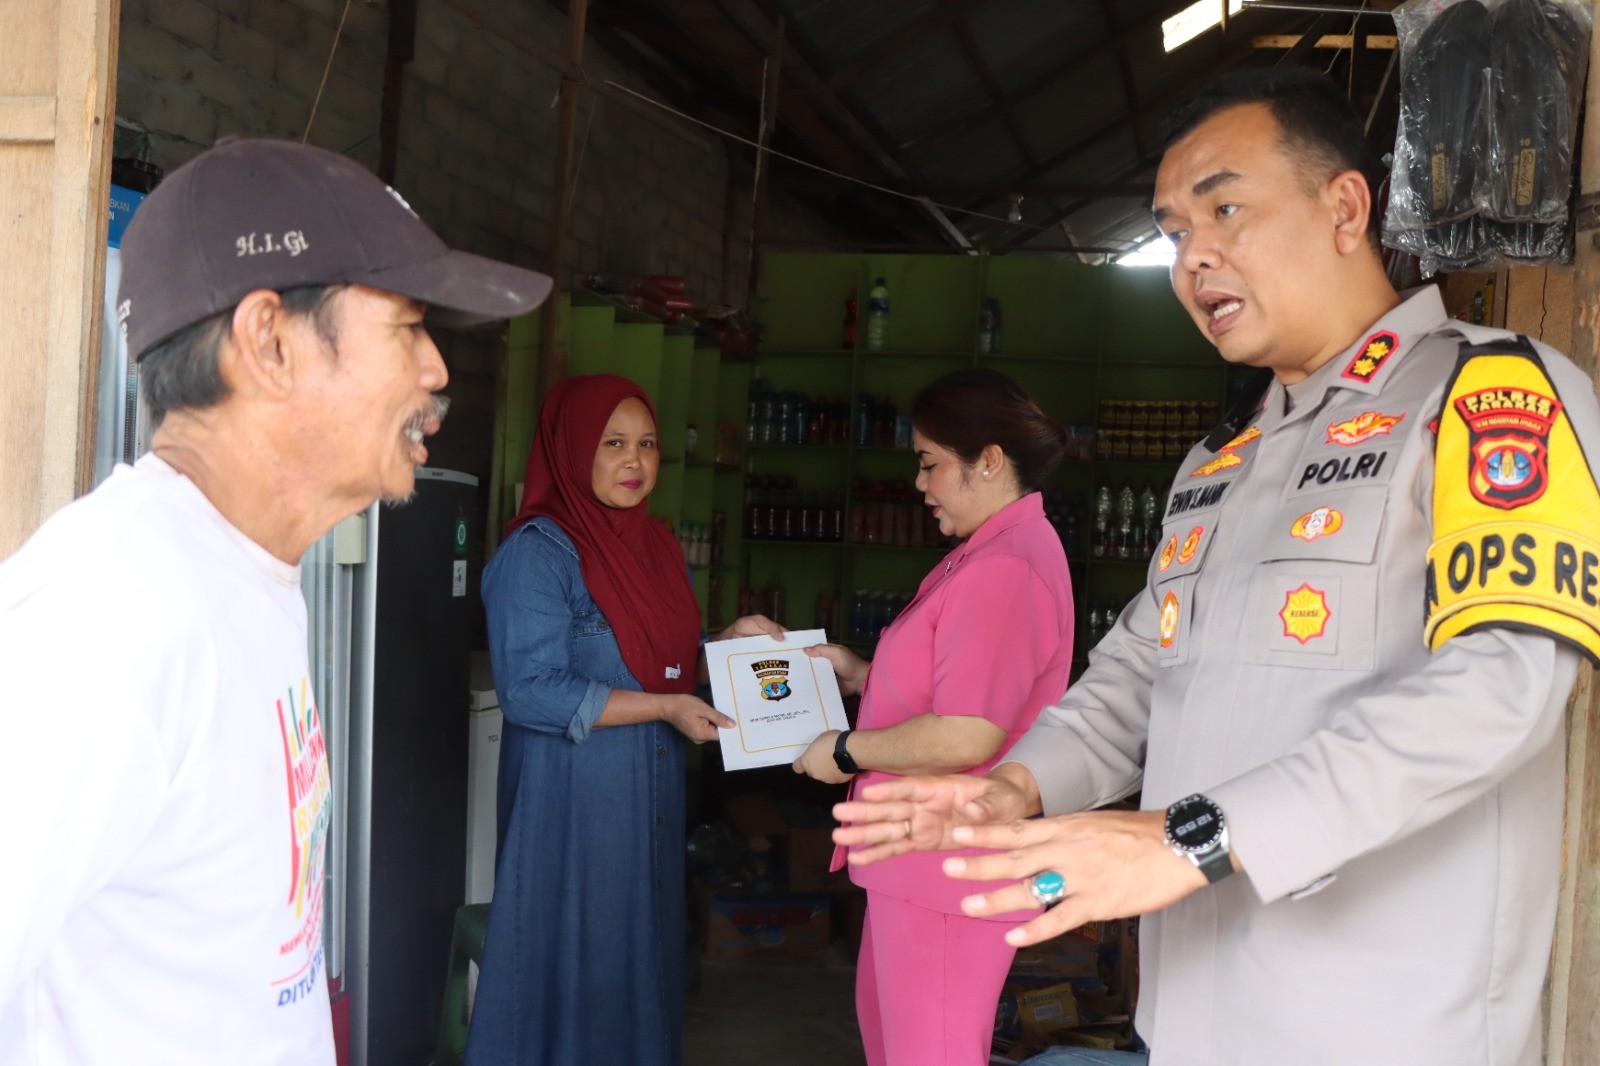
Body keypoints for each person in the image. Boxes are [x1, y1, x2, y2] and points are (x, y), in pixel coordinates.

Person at [834, 67, 1600, 1065]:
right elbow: (1135, 681)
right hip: (1191, 1014)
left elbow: (1502, 686)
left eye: (1225, 209)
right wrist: (1016, 786)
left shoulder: (1488, 392)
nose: (1193, 256)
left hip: (1382, 1022)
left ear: (1343, 206)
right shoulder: (1219, 464)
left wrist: (1190, 837)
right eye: (1171, 232)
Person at [0, 140, 552, 1064]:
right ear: (269, 342)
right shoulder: (109, 611)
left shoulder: (244, 577)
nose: (437, 370)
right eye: (408, 326)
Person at [465, 373, 781, 1066]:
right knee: (574, 953)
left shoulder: (658, 548)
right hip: (571, 798)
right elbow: (531, 691)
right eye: (612, 444)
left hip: (651, 794)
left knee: (638, 952)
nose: (634, 462)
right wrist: (666, 706)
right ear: (572, 450)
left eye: (646, 444)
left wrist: (724, 649)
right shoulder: (538, 555)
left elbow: (659, 664)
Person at [793, 368, 1075, 1066]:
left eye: (930, 463)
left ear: (989, 460)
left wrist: (849, 750)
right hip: (922, 866)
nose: (920, 483)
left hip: (951, 872)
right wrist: (861, 674)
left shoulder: (1005, 568)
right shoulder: (983, 555)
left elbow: (968, 732)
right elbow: (955, 693)